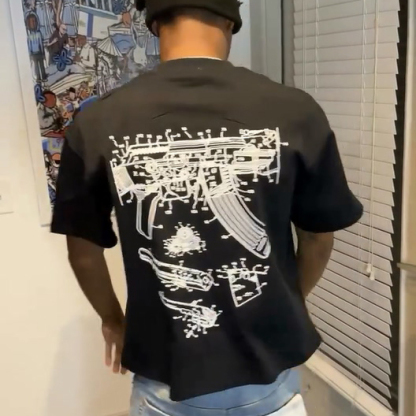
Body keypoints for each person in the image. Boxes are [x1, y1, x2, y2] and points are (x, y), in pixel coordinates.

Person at [51, 1, 363, 415]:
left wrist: (112, 320)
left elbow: (83, 250)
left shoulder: (98, 120)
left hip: (166, 380)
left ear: (154, 23)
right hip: (269, 379)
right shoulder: (296, 110)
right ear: (232, 21)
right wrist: (284, 302)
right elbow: (318, 237)